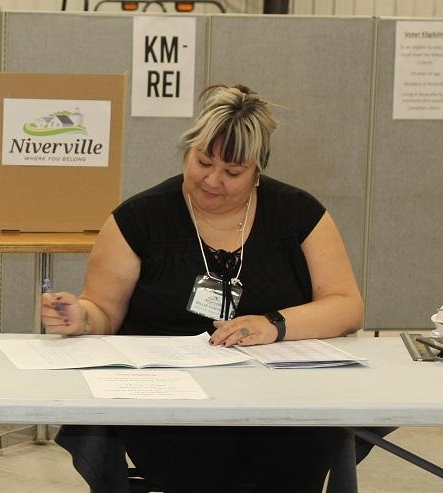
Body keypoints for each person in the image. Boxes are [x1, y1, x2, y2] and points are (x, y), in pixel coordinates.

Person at [43, 84, 363, 492]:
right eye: (203, 162)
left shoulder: (299, 215)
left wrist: (274, 325)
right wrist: (79, 316)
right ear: (187, 150)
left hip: (283, 403)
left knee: (295, 456)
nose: (213, 181)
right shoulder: (139, 219)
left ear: (257, 170)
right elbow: (104, 312)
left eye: (233, 172)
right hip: (172, 409)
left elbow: (346, 305)